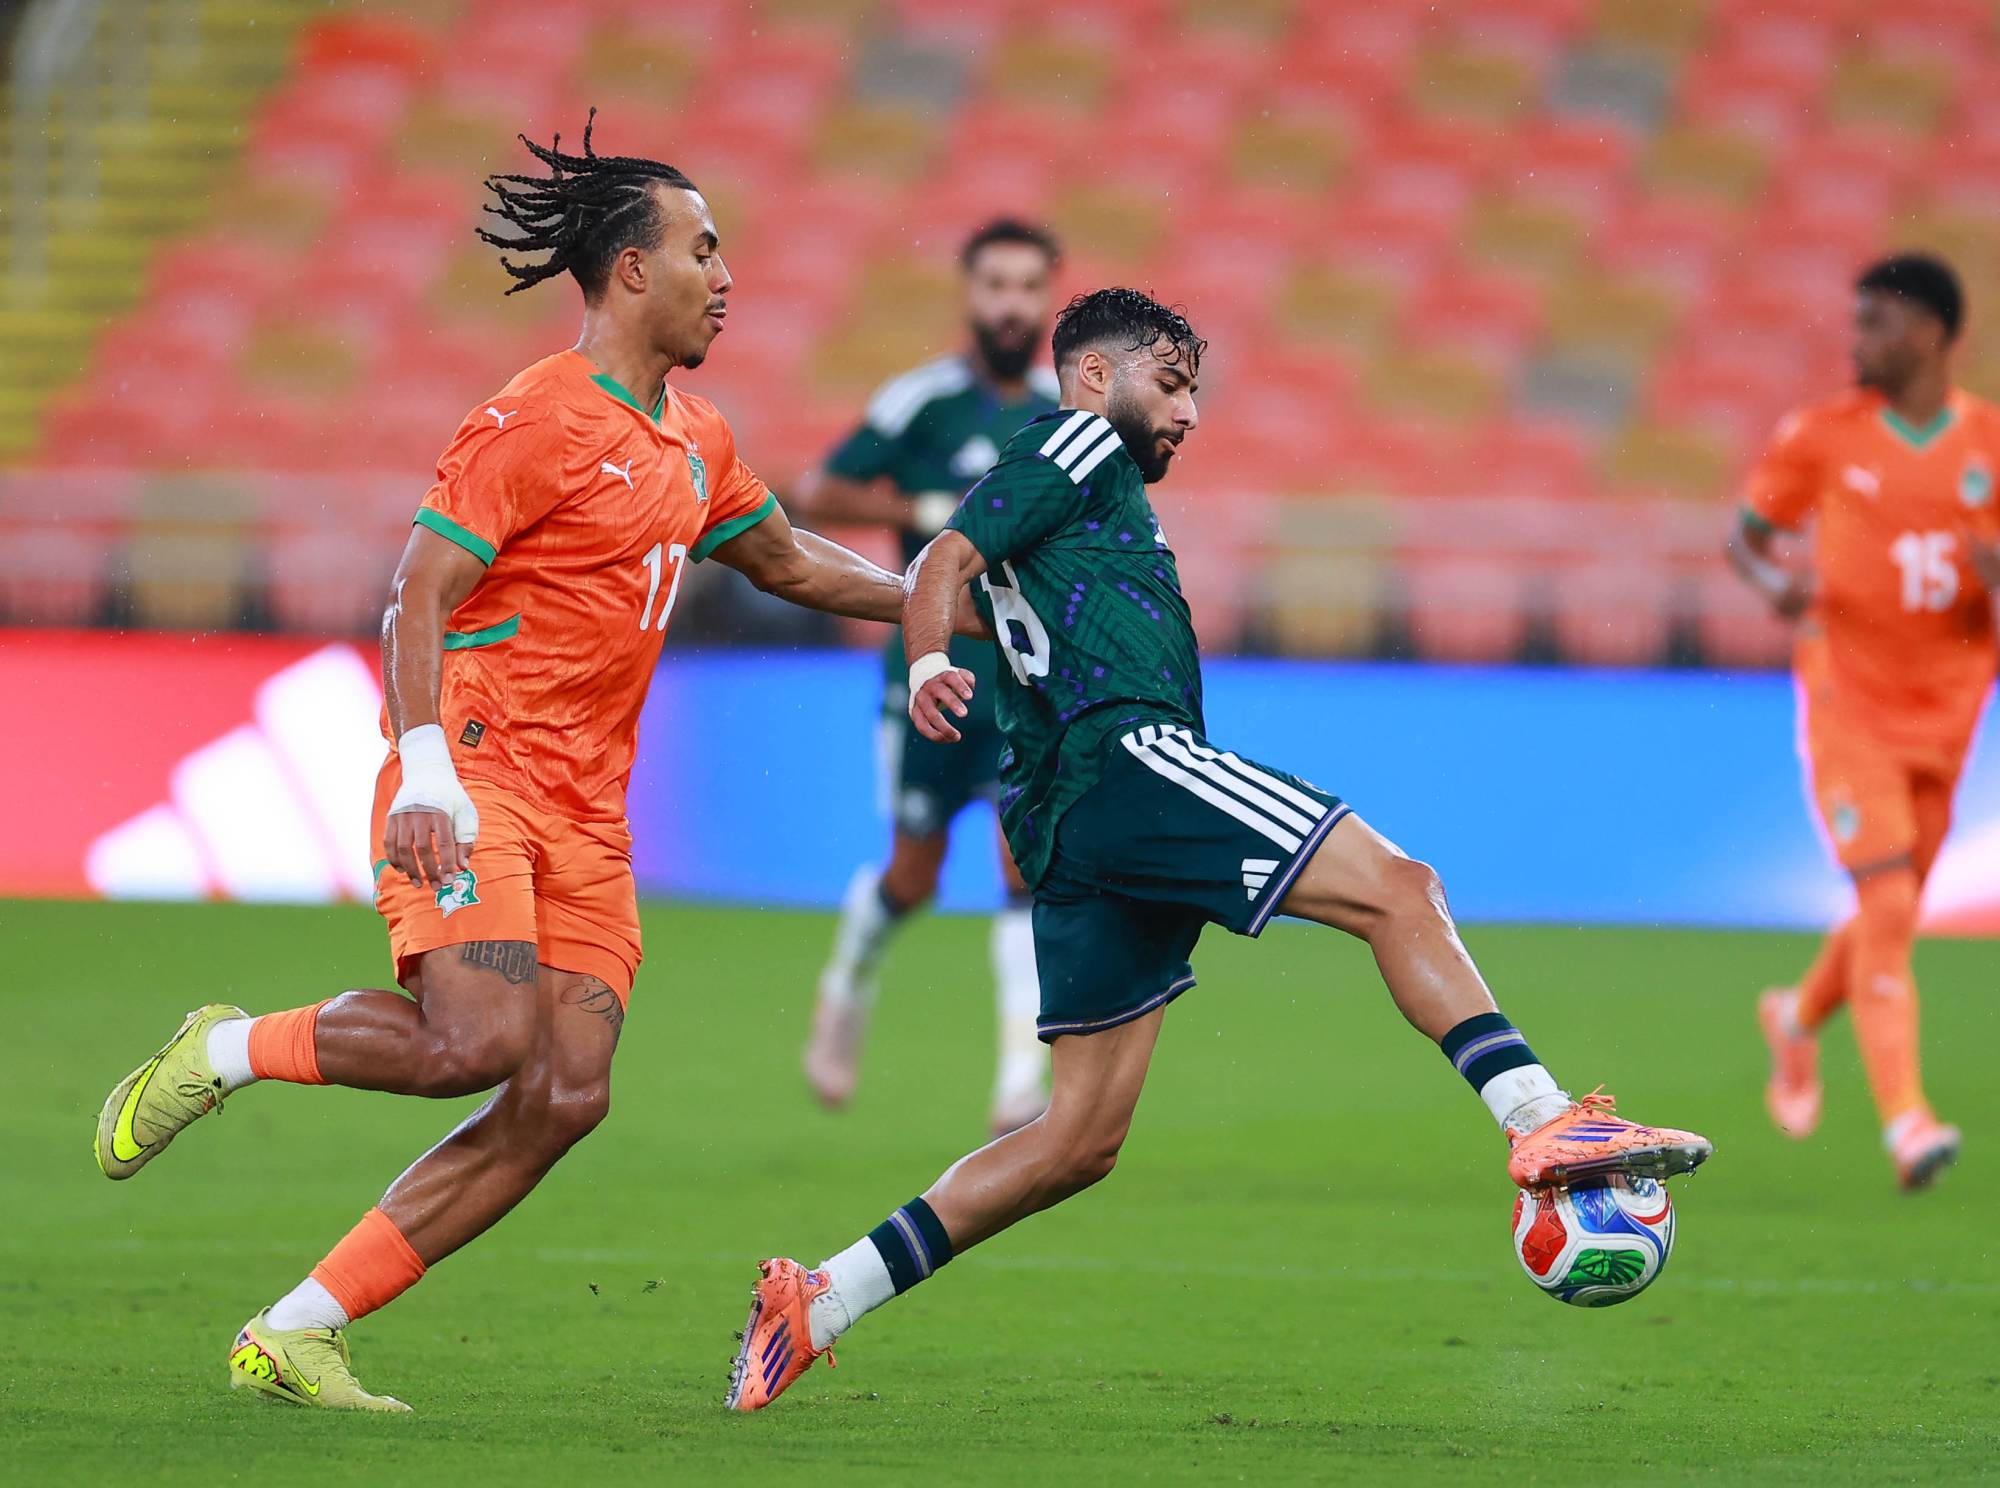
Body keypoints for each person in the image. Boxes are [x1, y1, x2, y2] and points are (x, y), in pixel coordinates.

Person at [91, 113, 983, 1412]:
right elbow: (417, 591)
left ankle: (295, 1330)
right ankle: (224, 1049)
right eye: (703, 251)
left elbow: (787, 559)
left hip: (589, 816)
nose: (725, 276)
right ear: (631, 268)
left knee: (566, 1094)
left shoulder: (695, 438)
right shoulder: (534, 418)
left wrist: (938, 601)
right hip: (476, 774)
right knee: (477, 1041)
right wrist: (425, 768)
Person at [724, 288, 1713, 1410]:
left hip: (1068, 824)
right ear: (1095, 377)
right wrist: (922, 665)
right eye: (1171, 382)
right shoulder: (1074, 443)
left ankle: (821, 1298)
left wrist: (920, 626)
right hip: (1128, 762)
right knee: (1400, 889)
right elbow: (944, 554)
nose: (1189, 412)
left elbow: (940, 576)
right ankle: (1541, 1120)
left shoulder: (1070, 509)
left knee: (1075, 1141)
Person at [1730, 253, 2000, 1190]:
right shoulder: (1822, 436)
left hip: (1950, 712)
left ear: (1931, 332)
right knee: (1888, 904)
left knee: (1894, 903)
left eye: (1876, 322)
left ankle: (1796, 1017)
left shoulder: (1989, 444)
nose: (1857, 341)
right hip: (1849, 703)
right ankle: (1907, 1122)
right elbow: (1746, 539)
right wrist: (1775, 584)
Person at [797, 218, 1063, 1136]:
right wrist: (921, 504)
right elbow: (819, 491)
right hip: (929, 673)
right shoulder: (923, 403)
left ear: (1048, 297)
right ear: (970, 294)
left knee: (1024, 871)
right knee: (914, 875)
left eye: (1028, 286)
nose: (1012, 304)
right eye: (996, 284)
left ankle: (1019, 1081)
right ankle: (848, 984)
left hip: (1024, 683)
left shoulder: (1060, 416)